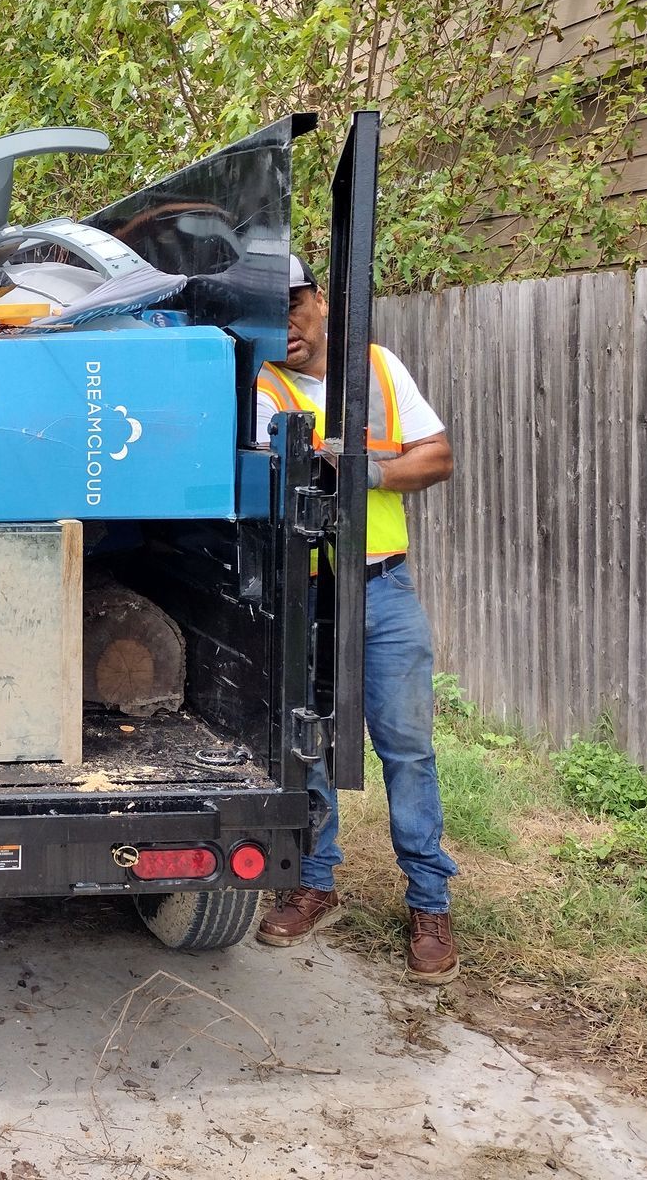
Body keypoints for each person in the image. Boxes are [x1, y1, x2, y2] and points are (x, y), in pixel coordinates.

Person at [250, 254, 460, 984]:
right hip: (306, 592)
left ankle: (430, 905)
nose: (287, 325)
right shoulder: (260, 389)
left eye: (294, 304)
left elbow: (435, 458)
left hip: (382, 590)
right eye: (269, 312)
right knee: (305, 745)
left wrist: (363, 467)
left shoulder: (377, 368)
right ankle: (315, 883)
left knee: (407, 748)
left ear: (322, 301)